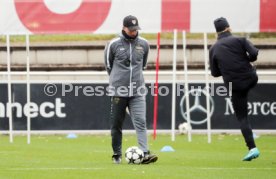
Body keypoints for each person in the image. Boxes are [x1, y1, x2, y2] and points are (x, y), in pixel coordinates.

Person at [104, 15, 158, 164]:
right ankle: (117, 154)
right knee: (116, 124)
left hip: (138, 90)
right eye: (131, 29)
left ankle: (145, 153)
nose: (134, 32)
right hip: (118, 91)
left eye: (136, 29)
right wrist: (117, 82)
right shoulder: (113, 44)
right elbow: (108, 66)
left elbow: (143, 65)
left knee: (140, 121)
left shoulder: (144, 44)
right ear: (124, 28)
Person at [209, 17, 260, 161]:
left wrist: (225, 68)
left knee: (242, 117)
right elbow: (254, 54)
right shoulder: (240, 40)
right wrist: (247, 61)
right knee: (252, 80)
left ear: (216, 32)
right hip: (250, 79)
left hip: (235, 86)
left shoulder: (213, 49)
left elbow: (214, 73)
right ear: (229, 28)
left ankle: (252, 148)